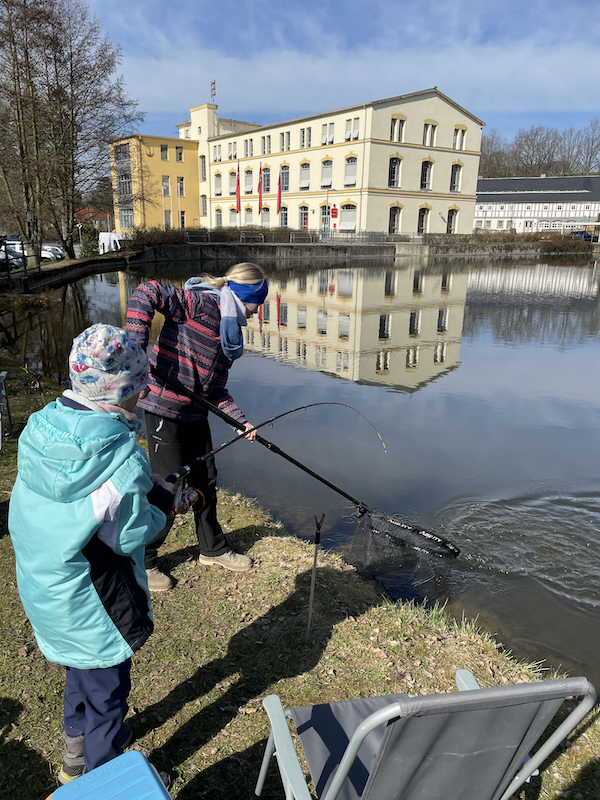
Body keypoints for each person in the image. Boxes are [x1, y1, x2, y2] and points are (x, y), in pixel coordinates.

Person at [8, 324, 174, 784]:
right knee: (107, 698)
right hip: (90, 605)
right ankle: (103, 781)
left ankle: (73, 760)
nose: (143, 395)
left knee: (79, 676)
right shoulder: (122, 459)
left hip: (46, 593)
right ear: (123, 392)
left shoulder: (39, 429)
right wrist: (162, 505)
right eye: (138, 387)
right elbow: (129, 536)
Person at [126, 262, 268, 591]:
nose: (258, 309)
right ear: (246, 296)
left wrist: (239, 421)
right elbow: (147, 291)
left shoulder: (229, 332)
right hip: (163, 409)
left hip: (195, 414)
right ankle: (143, 560)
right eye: (258, 301)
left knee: (206, 481)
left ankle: (212, 550)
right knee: (167, 487)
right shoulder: (201, 303)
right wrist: (136, 349)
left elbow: (215, 391)